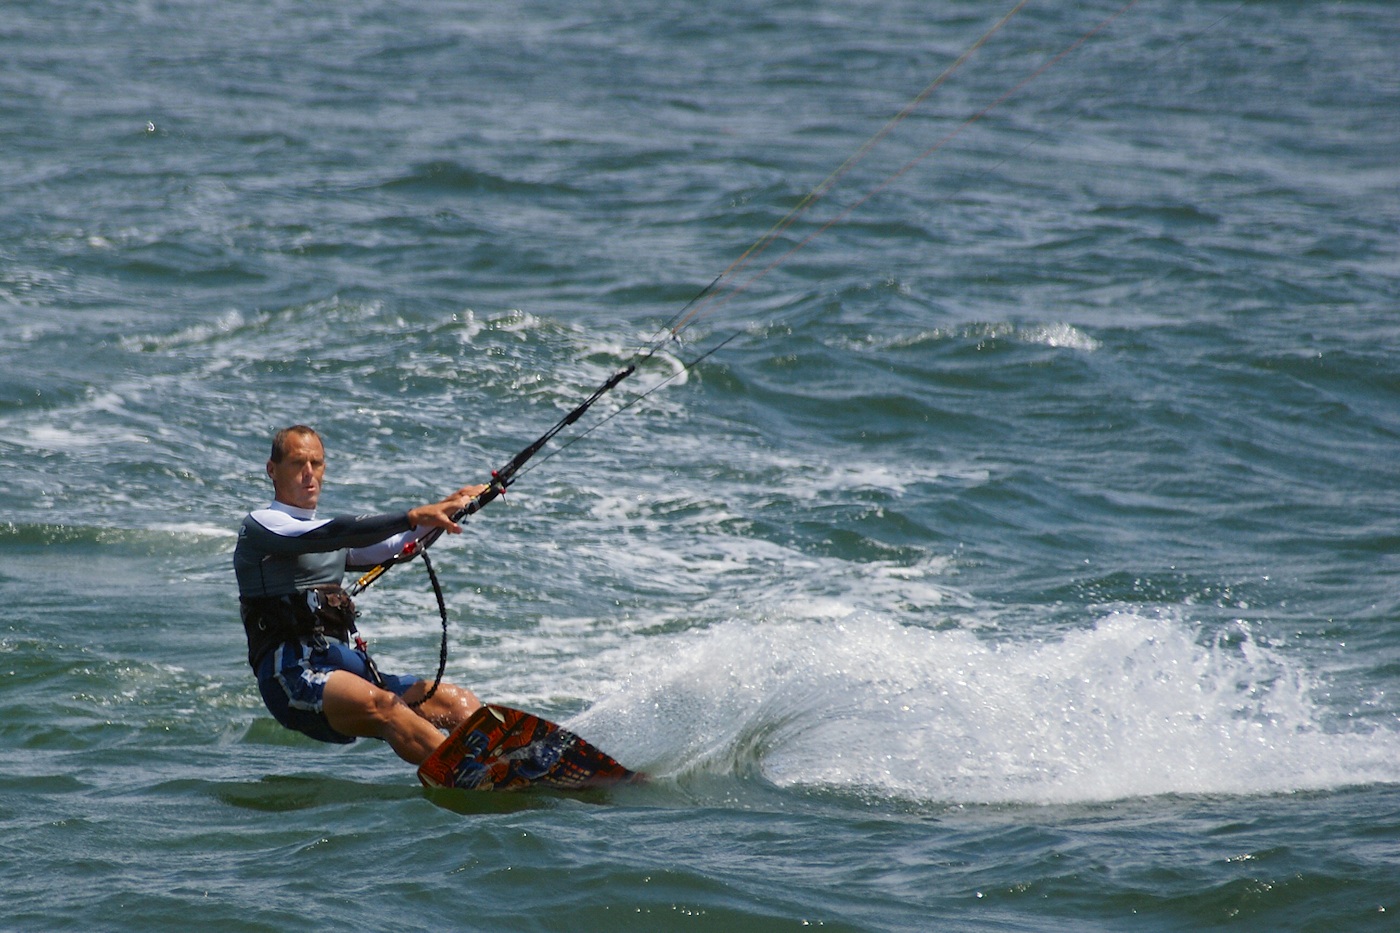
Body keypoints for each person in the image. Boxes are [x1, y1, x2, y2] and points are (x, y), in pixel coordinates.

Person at [234, 424, 486, 765]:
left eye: (317, 463)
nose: (309, 473)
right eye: (297, 463)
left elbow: (400, 547)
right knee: (386, 708)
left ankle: (520, 761)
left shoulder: (328, 539)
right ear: (272, 470)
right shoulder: (261, 526)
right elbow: (334, 532)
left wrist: (448, 509)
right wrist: (413, 515)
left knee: (458, 703)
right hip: (290, 675)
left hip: (342, 667)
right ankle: (473, 775)